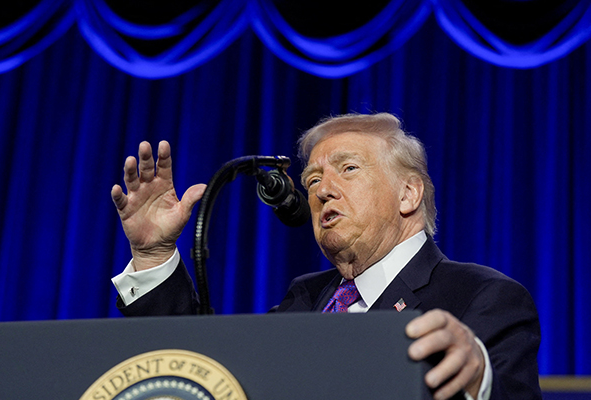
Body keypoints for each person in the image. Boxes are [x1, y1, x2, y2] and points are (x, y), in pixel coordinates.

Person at [110, 113, 542, 400]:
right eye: (312, 178)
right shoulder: (304, 298)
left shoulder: (483, 297)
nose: (321, 189)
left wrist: (478, 381)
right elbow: (205, 376)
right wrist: (154, 255)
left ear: (408, 193)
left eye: (348, 169)